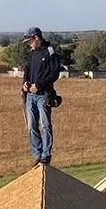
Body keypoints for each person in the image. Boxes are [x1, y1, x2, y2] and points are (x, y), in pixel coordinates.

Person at [21, 27, 61, 165]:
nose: (28, 44)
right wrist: (25, 83)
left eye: (29, 41)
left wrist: (39, 85)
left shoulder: (49, 51)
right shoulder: (32, 53)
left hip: (43, 95)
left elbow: (54, 74)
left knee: (45, 125)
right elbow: (28, 70)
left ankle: (46, 155)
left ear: (36, 38)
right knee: (31, 125)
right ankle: (37, 154)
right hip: (30, 96)